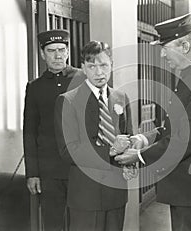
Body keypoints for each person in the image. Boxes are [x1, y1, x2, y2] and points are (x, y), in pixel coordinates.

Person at [115, 13, 191, 231]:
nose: (162, 55)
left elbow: (186, 139)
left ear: (185, 45)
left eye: (165, 48)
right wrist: (144, 138)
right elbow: (175, 126)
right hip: (185, 189)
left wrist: (139, 155)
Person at [54, 41, 143, 231]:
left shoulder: (121, 97)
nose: (99, 72)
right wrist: (110, 150)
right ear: (83, 68)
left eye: (103, 65)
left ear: (112, 65)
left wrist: (130, 161)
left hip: (116, 192)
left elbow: (128, 136)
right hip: (86, 195)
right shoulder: (68, 101)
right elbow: (68, 151)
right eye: (92, 66)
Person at [23, 29, 86, 231]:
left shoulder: (85, 79)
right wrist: (32, 173)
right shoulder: (35, 87)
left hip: (80, 168)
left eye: (62, 49)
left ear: (68, 52)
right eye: (51, 50)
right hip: (49, 171)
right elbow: (30, 131)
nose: (58, 55)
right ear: (42, 54)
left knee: (83, 223)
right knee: (53, 224)